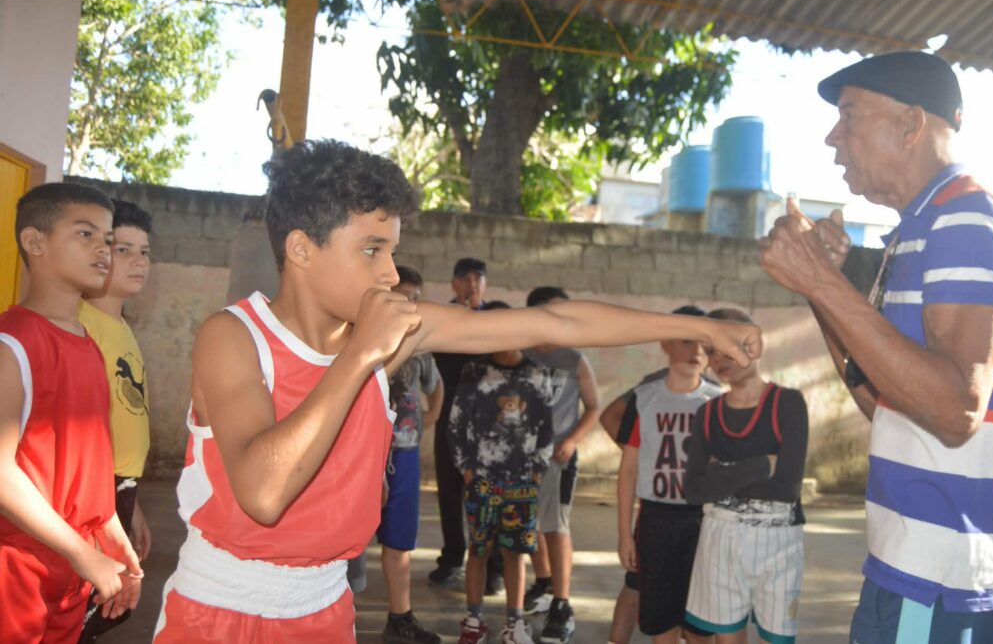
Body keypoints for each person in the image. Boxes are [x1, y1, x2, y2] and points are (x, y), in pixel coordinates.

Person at [153, 139, 763, 643]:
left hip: (324, 608)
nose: (391, 273)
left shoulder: (391, 331)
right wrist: (363, 354)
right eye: (372, 250)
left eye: (392, 250)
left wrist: (699, 325)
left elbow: (557, 323)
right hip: (221, 613)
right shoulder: (233, 337)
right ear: (300, 249)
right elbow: (262, 493)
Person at [759, 51, 993, 643]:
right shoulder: (921, 231)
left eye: (848, 116)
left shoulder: (965, 224)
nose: (832, 138)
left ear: (911, 124)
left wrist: (821, 280)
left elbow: (955, 409)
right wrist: (824, 289)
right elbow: (886, 400)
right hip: (929, 575)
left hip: (953, 585)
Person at [0, 183, 142, 643]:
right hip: (15, 573)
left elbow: (89, 462)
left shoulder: (88, 345)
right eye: (85, 234)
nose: (102, 248)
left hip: (68, 572)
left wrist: (110, 529)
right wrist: (82, 553)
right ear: (35, 242)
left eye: (106, 237)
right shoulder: (11, 345)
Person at [681, 308, 809, 644]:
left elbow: (786, 488)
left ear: (752, 346)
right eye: (711, 351)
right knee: (727, 636)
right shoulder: (707, 414)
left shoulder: (788, 403)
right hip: (719, 538)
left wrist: (720, 474)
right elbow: (693, 490)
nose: (719, 358)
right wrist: (764, 464)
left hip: (779, 540)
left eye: (728, 347)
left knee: (777, 638)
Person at [615, 306, 724, 644]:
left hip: (703, 520)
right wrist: (624, 534)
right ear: (665, 343)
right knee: (660, 620)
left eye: (704, 345)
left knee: (699, 622)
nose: (696, 352)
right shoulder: (645, 399)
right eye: (687, 341)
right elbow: (628, 470)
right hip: (655, 520)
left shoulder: (718, 403)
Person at [448, 300, 554, 644]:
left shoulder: (537, 373)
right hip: (481, 481)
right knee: (478, 550)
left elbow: (546, 428)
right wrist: (467, 471)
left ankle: (515, 622)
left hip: (522, 482)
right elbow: (456, 424)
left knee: (515, 552)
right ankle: (474, 622)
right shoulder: (473, 371)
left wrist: (536, 472)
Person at [76, 198, 155, 642]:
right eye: (123, 249)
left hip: (121, 489)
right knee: (81, 611)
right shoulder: (82, 325)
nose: (137, 262)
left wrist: (135, 501)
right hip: (91, 500)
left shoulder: (121, 326)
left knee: (107, 609)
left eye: (144, 251)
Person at [521, 286, 601, 644]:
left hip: (558, 457)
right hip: (522, 457)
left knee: (557, 526)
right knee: (530, 522)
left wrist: (571, 441)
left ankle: (562, 604)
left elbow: (595, 406)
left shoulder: (574, 358)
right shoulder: (519, 353)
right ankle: (543, 581)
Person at [376, 264, 444, 644]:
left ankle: (399, 617)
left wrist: (429, 419)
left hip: (404, 453)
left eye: (416, 298)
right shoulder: (358, 338)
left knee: (399, 540)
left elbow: (436, 388)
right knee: (345, 539)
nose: (410, 304)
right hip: (365, 454)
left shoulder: (420, 347)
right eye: (404, 295)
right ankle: (334, 615)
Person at [430, 257, 492, 590]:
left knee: (488, 492)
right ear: (454, 284)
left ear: (485, 284)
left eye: (478, 278)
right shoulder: (443, 318)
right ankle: (453, 556)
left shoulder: (498, 317)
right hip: (450, 414)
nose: (472, 285)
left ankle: (492, 565)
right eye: (465, 278)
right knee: (450, 490)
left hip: (489, 420)